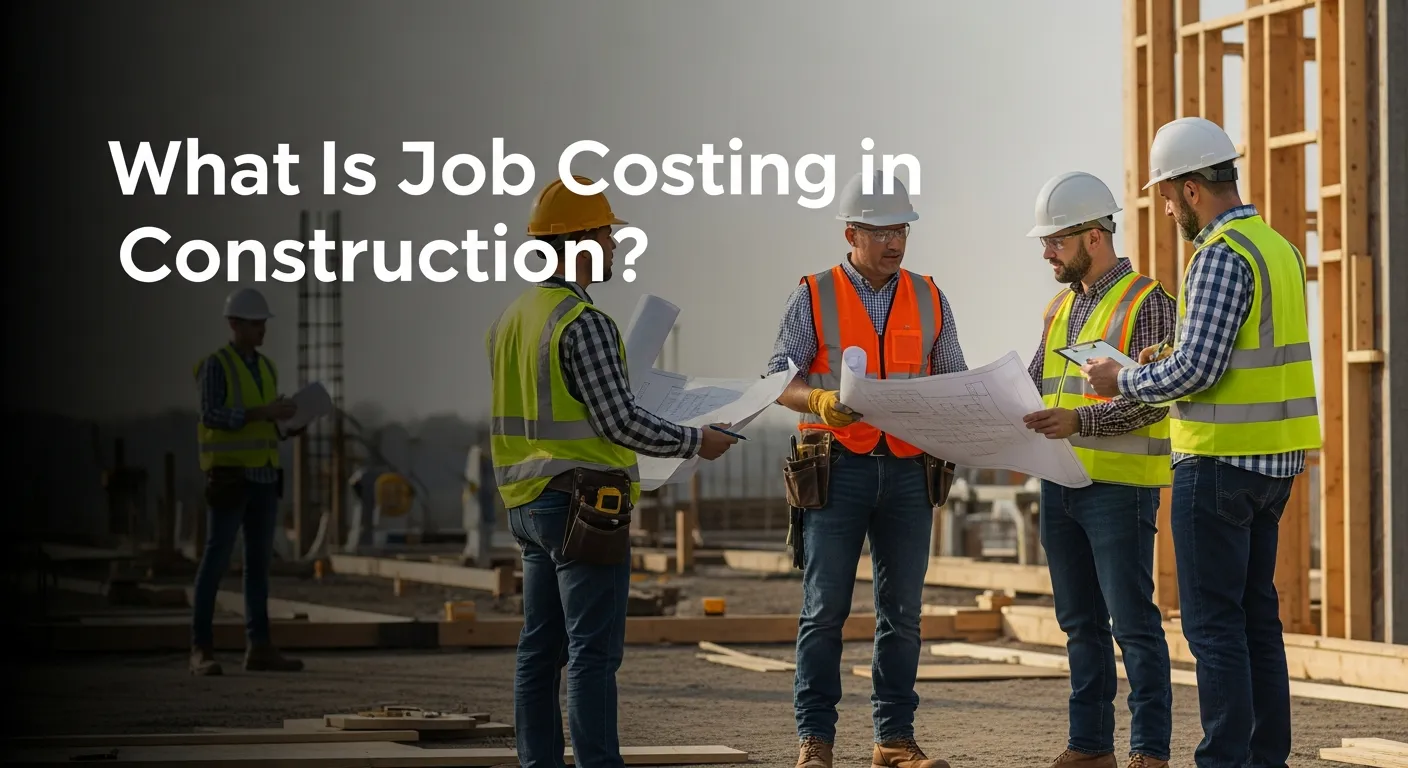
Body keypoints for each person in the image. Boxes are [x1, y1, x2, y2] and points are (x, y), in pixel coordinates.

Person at [1083, 116, 1321, 768]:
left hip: (1217, 463)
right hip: (1274, 463)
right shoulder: (1276, 247)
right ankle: (1263, 757)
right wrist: (1174, 352)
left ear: (1191, 190)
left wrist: (1123, 374)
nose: (1163, 208)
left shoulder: (1217, 255)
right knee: (1255, 622)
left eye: (1165, 194)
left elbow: (1198, 372)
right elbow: (1236, 352)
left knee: (1213, 628)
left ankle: (1222, 761)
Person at [488, 176, 738, 768]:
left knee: (538, 650)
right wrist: (693, 440)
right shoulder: (583, 321)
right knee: (593, 654)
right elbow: (619, 422)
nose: (612, 246)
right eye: (605, 235)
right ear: (575, 241)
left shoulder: (510, 321)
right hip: (580, 506)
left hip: (525, 506)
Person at [767, 170, 965, 768]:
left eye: (901, 228)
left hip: (908, 470)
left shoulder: (930, 296)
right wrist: (820, 401)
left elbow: (952, 376)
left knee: (902, 612)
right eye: (881, 230)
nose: (894, 241)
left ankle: (894, 739)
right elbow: (778, 377)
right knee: (824, 609)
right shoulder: (813, 293)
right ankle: (816, 741)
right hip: (836, 467)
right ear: (851, 233)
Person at [1019, 171, 1176, 768]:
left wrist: (1081, 424)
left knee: (1132, 625)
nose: (1046, 252)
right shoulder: (1059, 306)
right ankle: (1089, 748)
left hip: (1118, 490)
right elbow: (1034, 387)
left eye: (1055, 240)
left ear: (1093, 236)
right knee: (1079, 623)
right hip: (1060, 483)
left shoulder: (1148, 302)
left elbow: (1152, 398)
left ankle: (1149, 751)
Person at [189, 287, 304, 676]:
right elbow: (211, 416)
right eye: (255, 324)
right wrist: (262, 412)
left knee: (258, 565)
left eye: (263, 324)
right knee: (216, 560)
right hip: (229, 477)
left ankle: (259, 646)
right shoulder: (216, 365)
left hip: (264, 477)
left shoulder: (267, 367)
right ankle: (200, 649)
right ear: (233, 324)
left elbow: (265, 420)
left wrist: (288, 421)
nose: (261, 331)